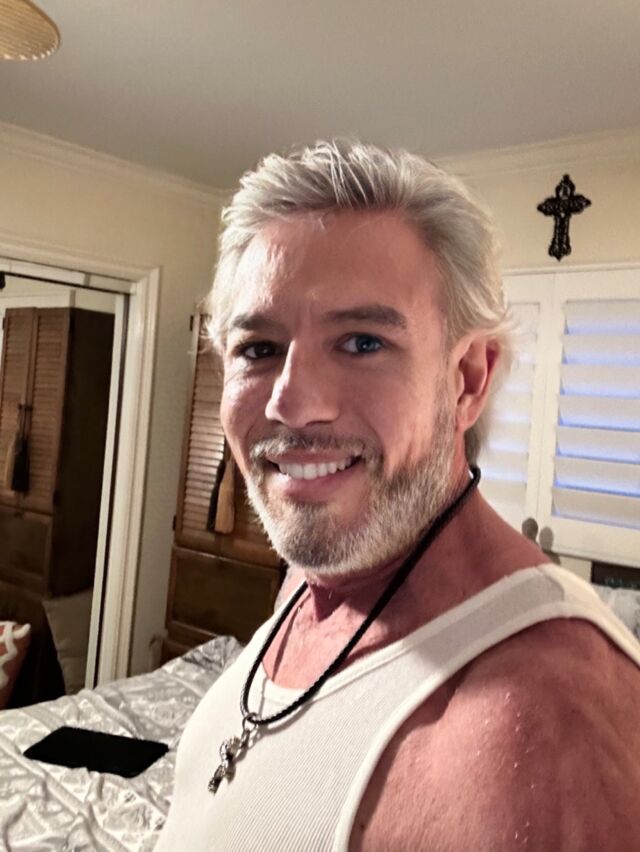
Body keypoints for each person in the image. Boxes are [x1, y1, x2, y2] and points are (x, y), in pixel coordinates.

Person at [157, 141, 640, 851]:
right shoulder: (319, 573)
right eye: (258, 348)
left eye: (361, 342)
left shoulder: (542, 717)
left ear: (468, 380)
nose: (292, 404)